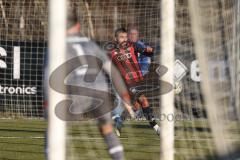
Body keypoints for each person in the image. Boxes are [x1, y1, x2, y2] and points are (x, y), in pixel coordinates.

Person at [45, 7, 133, 160]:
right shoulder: (91, 44)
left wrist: (48, 103)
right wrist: (125, 96)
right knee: (107, 129)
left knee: (53, 131)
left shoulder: (57, 46)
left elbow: (49, 76)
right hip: (101, 92)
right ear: (78, 25)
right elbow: (112, 72)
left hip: (76, 93)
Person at [110, 27, 161, 137]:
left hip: (138, 80)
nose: (124, 39)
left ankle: (119, 121)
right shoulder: (112, 53)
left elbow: (148, 53)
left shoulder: (133, 46)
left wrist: (149, 51)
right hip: (127, 83)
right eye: (121, 37)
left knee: (136, 107)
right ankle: (157, 128)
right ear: (115, 39)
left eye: (125, 37)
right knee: (144, 100)